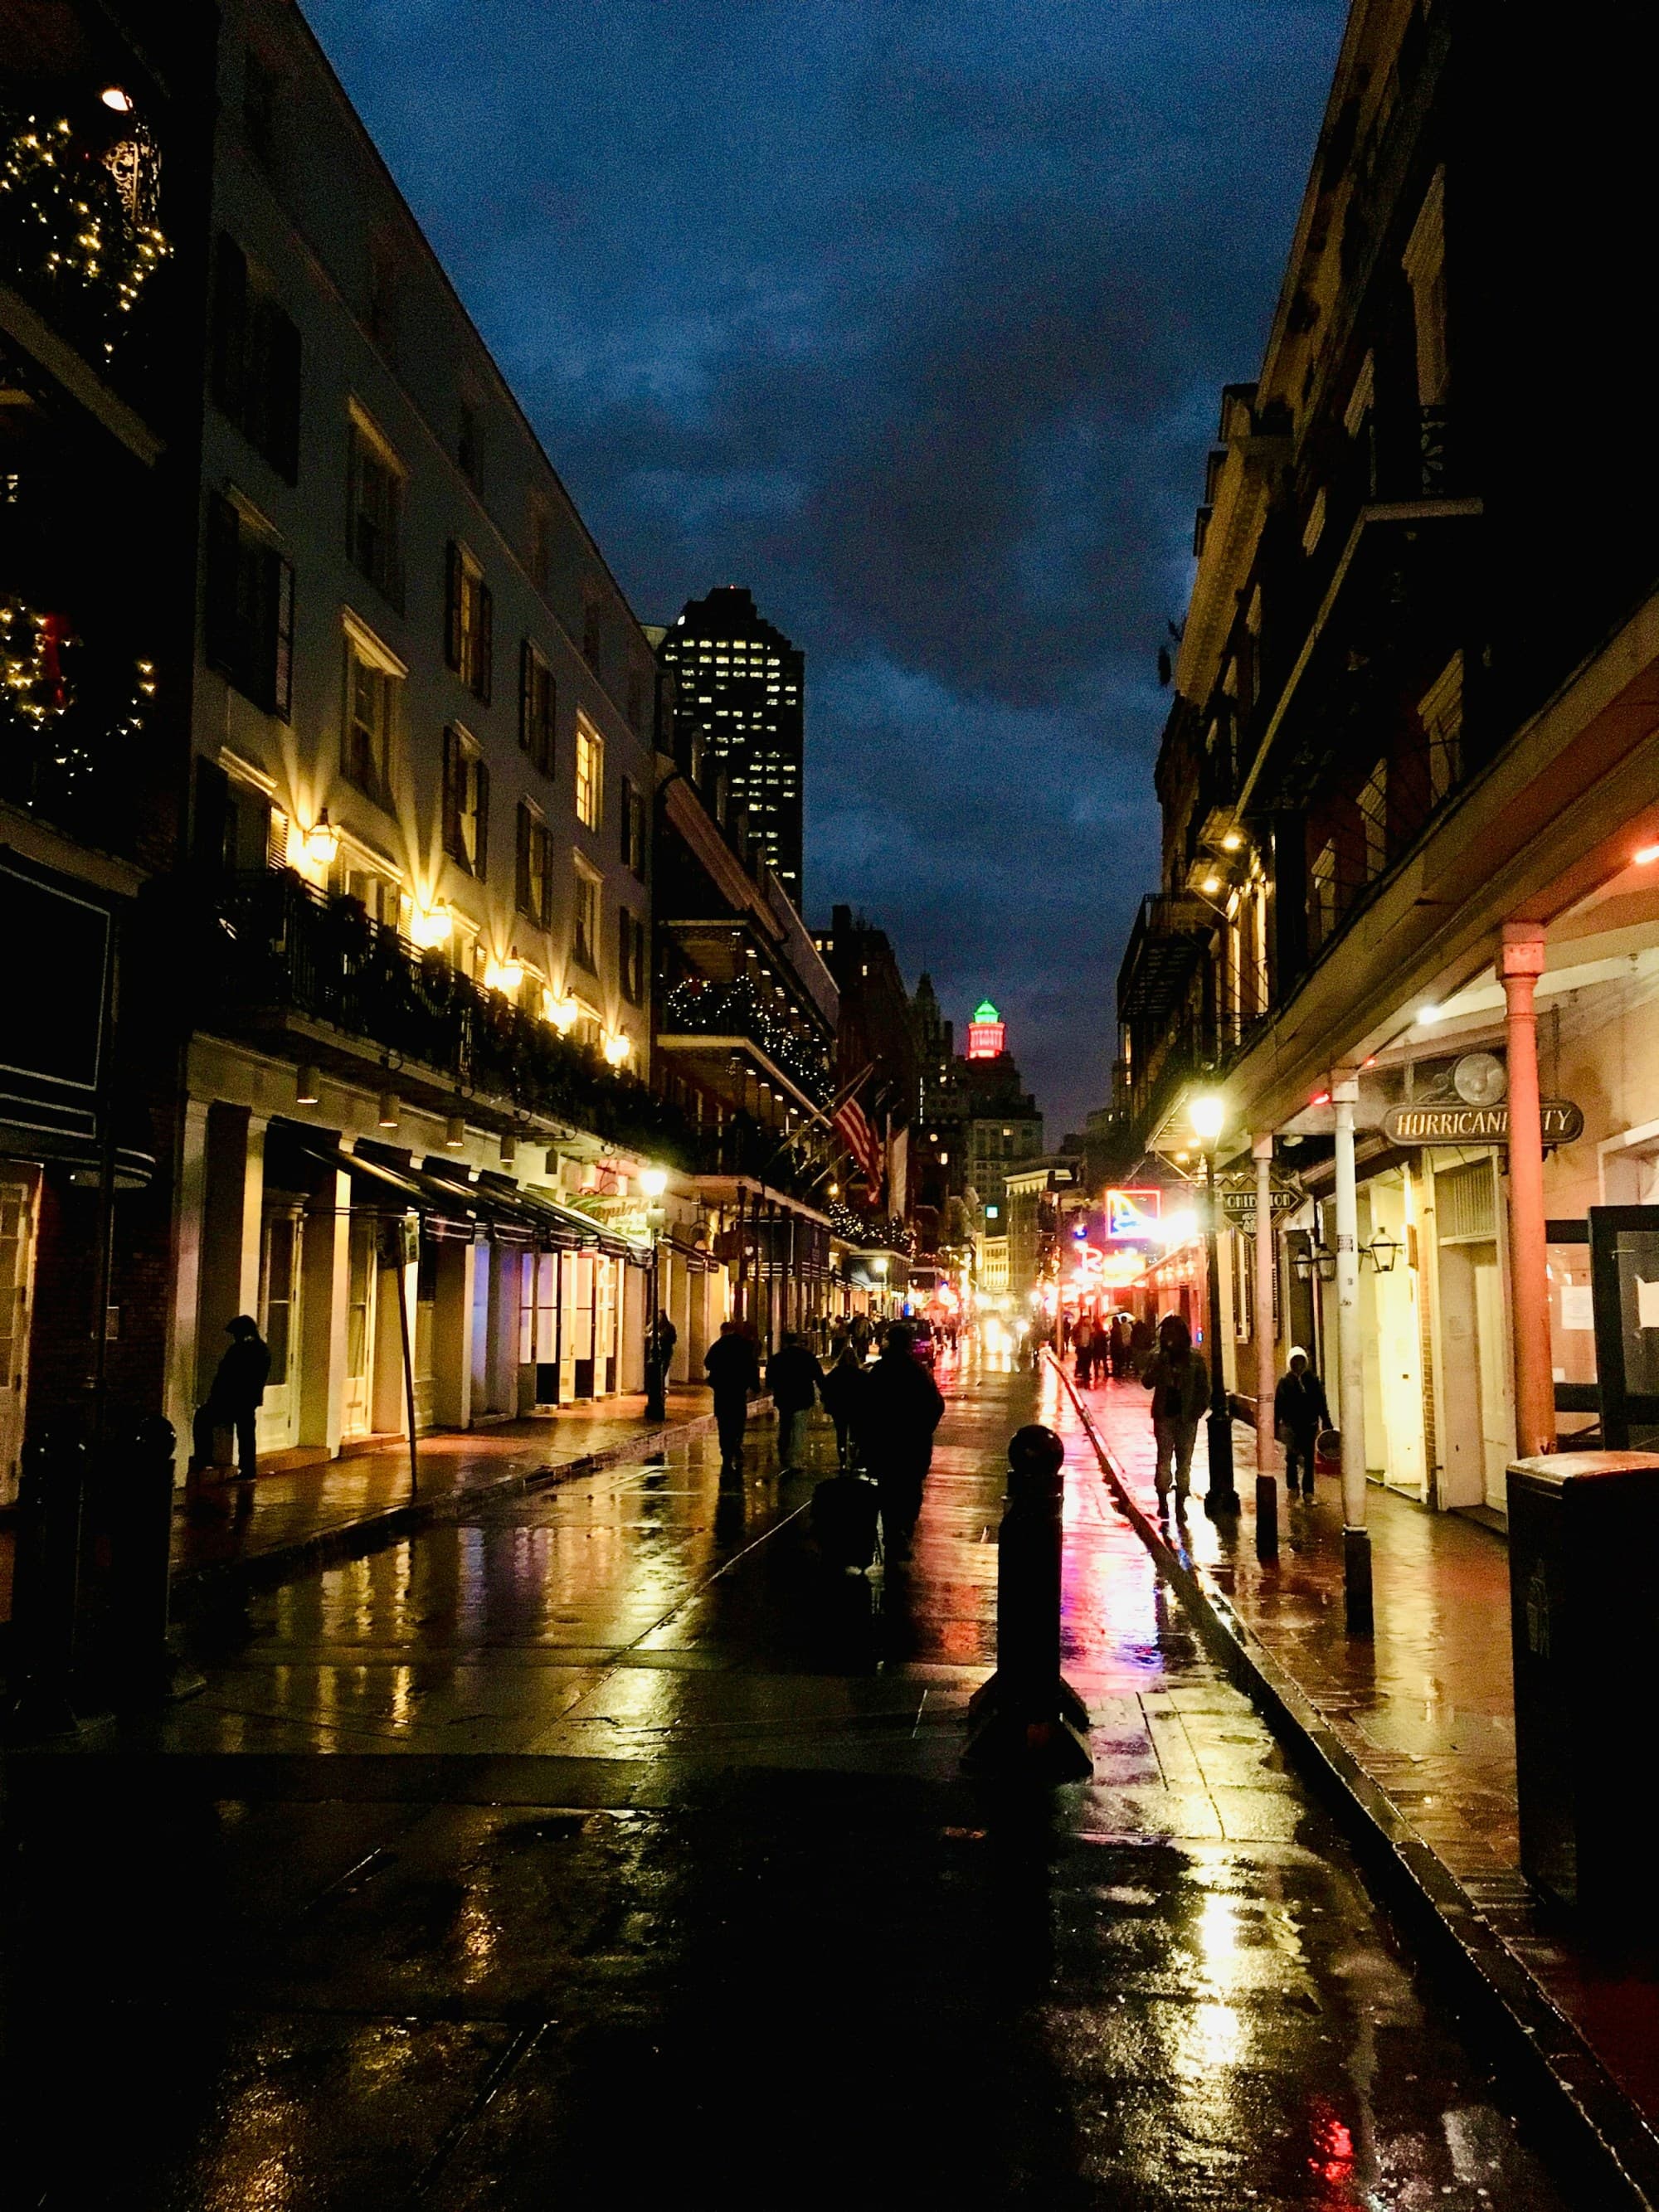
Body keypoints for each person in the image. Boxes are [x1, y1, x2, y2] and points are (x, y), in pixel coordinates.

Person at [854, 1321, 944, 1558]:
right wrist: (923, 1430)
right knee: (911, 1488)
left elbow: (865, 1409)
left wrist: (865, 1439)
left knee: (888, 1488)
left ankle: (893, 1531)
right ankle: (903, 1529)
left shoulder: (880, 1372)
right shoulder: (918, 1372)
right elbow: (936, 1405)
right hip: (913, 1443)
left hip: (885, 1444)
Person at [1140, 1312, 1209, 1513]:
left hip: (1185, 1416)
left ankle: (1179, 1503)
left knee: (1181, 1460)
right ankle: (1165, 1500)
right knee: (1168, 1459)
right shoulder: (1159, 1357)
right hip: (1167, 1415)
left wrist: (1197, 1411)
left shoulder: (1194, 1359)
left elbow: (1204, 1389)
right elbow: (1147, 1382)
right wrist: (1160, 1364)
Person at [192, 1314, 271, 1483]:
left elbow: (226, 1375)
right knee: (246, 1434)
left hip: (231, 1399)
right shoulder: (261, 1349)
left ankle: (204, 1459)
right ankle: (248, 1471)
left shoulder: (240, 1349)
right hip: (247, 1400)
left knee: (203, 1419)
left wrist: (217, 1397)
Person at [705, 1320, 761, 1476]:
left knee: (724, 1421)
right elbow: (751, 1366)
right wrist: (755, 1385)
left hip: (723, 1390)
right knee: (738, 1419)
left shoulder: (718, 1346)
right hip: (738, 1389)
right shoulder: (744, 1345)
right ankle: (737, 1442)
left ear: (723, 1331)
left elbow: (708, 1363)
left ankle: (726, 1451)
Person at [1274, 1346, 1331, 1497]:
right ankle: (1293, 1486)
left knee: (1309, 1459)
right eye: (1295, 1361)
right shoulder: (1285, 1382)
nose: (1298, 1365)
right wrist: (1275, 1426)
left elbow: (1321, 1403)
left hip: (1309, 1425)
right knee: (1291, 1457)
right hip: (1291, 1426)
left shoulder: (1312, 1381)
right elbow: (1278, 1406)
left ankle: (1308, 1491)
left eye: (1301, 1361)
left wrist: (1326, 1421)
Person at [766, 1330, 825, 1473]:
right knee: (799, 1429)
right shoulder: (807, 1357)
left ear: (784, 1343)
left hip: (784, 1397)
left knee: (785, 1426)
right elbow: (819, 1377)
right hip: (802, 1397)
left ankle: (783, 1454)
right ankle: (795, 1460)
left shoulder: (777, 1358)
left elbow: (770, 1379)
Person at [820, 1339, 867, 1469]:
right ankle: (853, 1452)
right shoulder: (861, 1375)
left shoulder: (835, 1374)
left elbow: (826, 1388)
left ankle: (842, 1458)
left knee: (841, 1433)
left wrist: (827, 1401)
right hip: (856, 1408)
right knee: (854, 1432)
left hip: (839, 1408)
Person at [1073, 1314, 1095, 1385]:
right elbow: (1074, 1334)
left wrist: (1090, 1326)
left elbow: (1093, 1334)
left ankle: (1086, 1373)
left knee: (1088, 1360)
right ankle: (1081, 1372)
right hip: (1081, 1346)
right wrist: (1075, 1342)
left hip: (1088, 1346)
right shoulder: (1078, 1327)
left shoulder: (1090, 1328)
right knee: (1081, 1360)